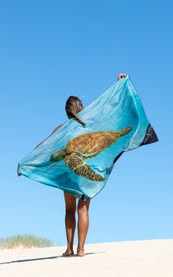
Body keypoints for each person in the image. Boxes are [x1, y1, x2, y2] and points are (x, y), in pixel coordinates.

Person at [38, 73, 128, 257]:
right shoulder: (90, 126)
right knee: (83, 208)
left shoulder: (61, 129)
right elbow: (109, 109)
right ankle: (81, 250)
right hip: (85, 171)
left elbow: (43, 147)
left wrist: (29, 159)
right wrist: (119, 84)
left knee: (70, 210)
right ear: (82, 108)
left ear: (66, 111)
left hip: (70, 173)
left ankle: (69, 248)